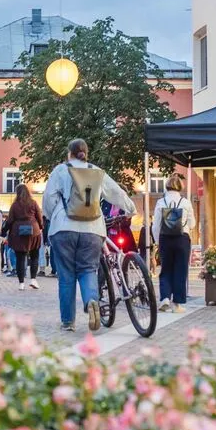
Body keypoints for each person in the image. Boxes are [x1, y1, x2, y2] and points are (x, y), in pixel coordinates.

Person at [43, 139, 136, 332]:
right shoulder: (97, 171)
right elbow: (116, 193)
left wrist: (55, 217)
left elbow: (49, 200)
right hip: (93, 229)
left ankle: (68, 322)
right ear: (86, 153)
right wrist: (131, 209)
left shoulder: (60, 170)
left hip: (64, 229)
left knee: (66, 276)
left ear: (69, 153)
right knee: (88, 270)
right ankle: (92, 301)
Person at [152, 173, 195, 313]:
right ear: (180, 187)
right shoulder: (185, 202)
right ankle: (177, 303)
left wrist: (158, 241)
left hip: (165, 238)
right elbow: (192, 223)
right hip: (182, 238)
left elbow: (156, 225)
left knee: (165, 269)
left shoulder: (160, 202)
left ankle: (164, 298)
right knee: (180, 270)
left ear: (167, 186)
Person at [7, 184, 44, 291]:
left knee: (20, 258)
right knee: (34, 256)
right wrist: (41, 227)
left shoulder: (14, 205)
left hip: (18, 233)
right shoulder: (33, 203)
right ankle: (33, 279)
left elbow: (10, 220)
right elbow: (39, 217)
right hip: (34, 232)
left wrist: (5, 231)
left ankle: (21, 283)